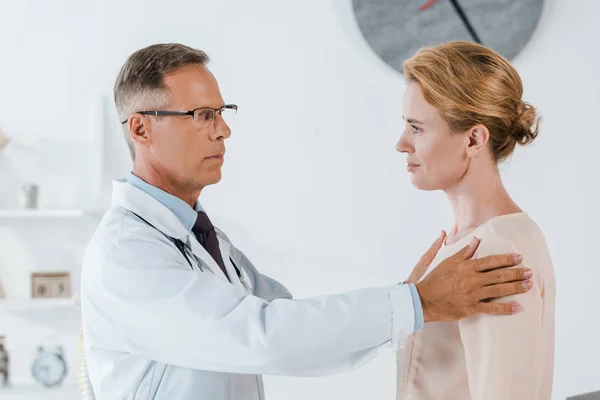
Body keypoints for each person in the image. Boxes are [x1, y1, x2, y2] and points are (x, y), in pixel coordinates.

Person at [80, 43, 533, 400]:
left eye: (222, 113)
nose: (223, 130)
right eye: (202, 115)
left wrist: (410, 300)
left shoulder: (202, 237)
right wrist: (414, 303)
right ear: (141, 129)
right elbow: (265, 337)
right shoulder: (126, 255)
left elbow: (294, 326)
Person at [395, 41, 556, 399]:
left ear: (473, 139)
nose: (401, 144)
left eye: (417, 128)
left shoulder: (495, 250)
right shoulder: (469, 241)